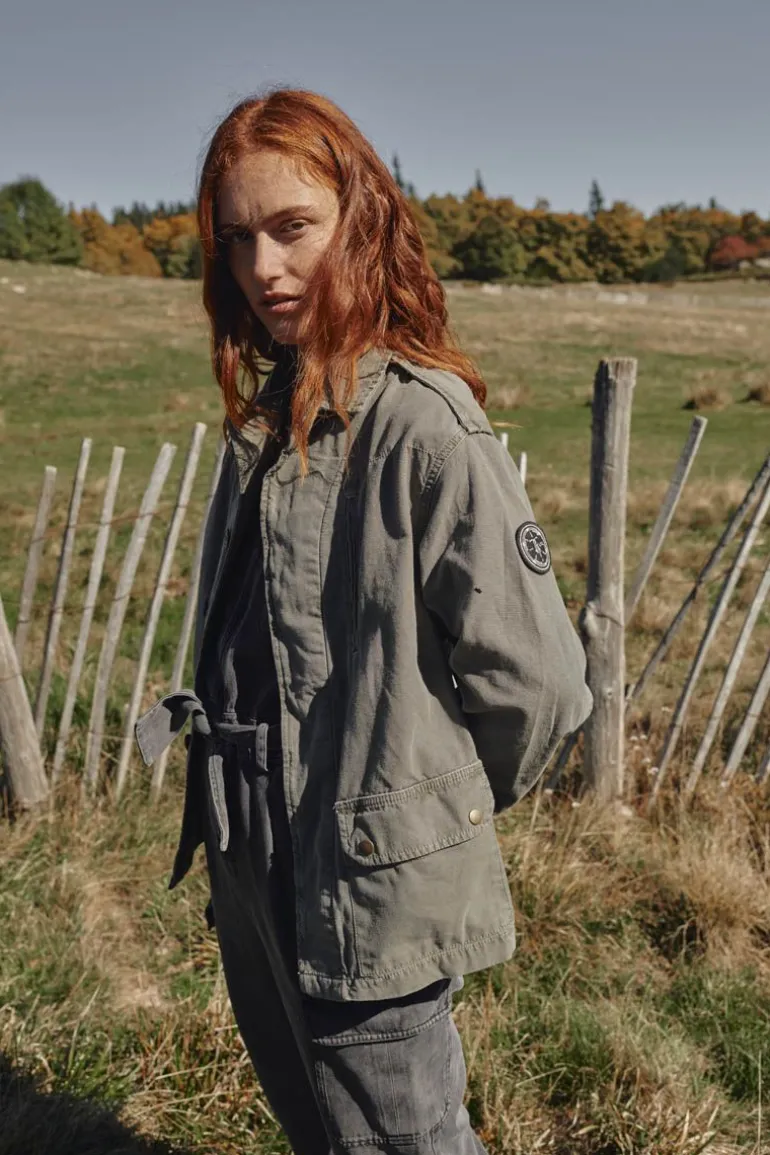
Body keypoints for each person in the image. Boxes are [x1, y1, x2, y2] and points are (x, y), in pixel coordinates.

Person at [136, 88, 592, 1155]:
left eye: (292, 228)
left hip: (361, 884)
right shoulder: (267, 418)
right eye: (238, 239)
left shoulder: (421, 427)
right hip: (251, 861)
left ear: (359, 220)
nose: (263, 269)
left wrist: (413, 825)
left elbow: (541, 687)